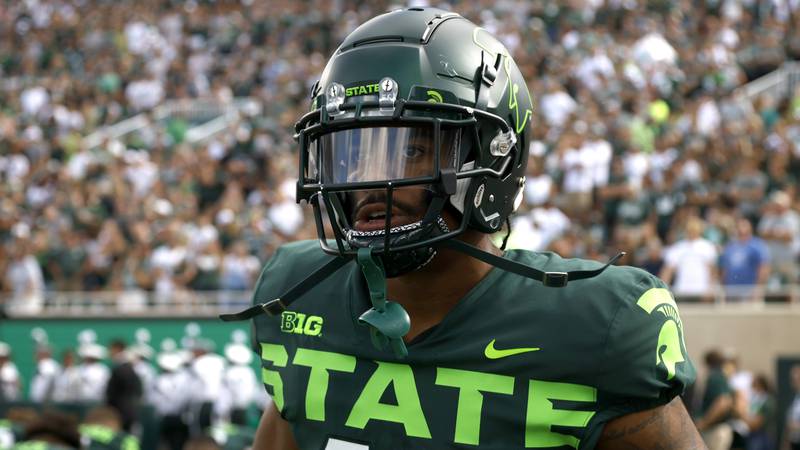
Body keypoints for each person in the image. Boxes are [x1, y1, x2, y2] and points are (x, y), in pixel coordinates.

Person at [223, 7, 702, 450]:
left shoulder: (592, 328)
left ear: (493, 157)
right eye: (349, 154)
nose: (367, 181)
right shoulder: (299, 294)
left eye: (409, 150)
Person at [719, 218, 770, 302]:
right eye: (738, 226)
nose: (740, 228)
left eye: (743, 225)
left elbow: (764, 267)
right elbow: (725, 269)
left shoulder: (757, 245)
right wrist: (723, 288)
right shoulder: (730, 246)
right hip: (731, 291)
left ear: (750, 228)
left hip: (750, 290)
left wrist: (758, 288)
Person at [695, 350, 734, 450]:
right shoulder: (722, 375)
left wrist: (704, 423)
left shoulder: (715, 377)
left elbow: (723, 402)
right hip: (717, 429)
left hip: (715, 430)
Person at [105, 340, 143, 433]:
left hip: (121, 413)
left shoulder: (121, 368)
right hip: (130, 411)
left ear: (117, 349)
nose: (110, 352)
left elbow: (112, 393)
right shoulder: (128, 368)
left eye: (111, 349)